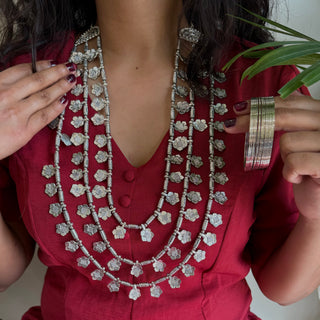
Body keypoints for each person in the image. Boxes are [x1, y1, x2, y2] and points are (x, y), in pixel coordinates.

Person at [0, 1, 320, 319]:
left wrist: (316, 214)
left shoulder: (262, 83)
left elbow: (284, 288)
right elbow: (5, 274)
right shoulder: (20, 85)